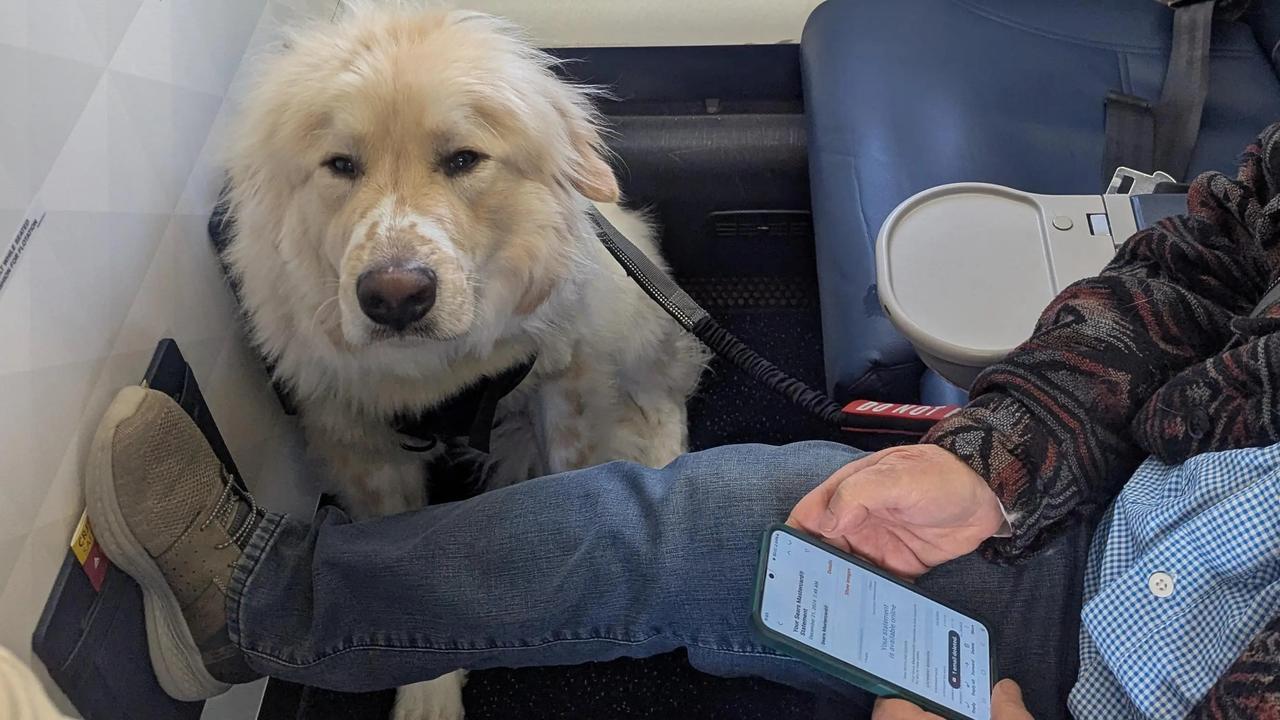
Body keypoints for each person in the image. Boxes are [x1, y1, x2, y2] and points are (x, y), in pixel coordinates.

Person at [79, 123, 1280, 720]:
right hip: (1138, 537)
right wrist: (1002, 454)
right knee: (708, 516)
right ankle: (255, 610)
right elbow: (1201, 266)